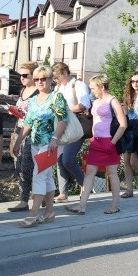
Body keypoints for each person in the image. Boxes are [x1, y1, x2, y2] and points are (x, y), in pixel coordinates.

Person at [11, 65, 67, 228]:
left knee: (38, 176)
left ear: (51, 80)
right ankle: (49, 212)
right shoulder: (34, 100)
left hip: (49, 144)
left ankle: (33, 214)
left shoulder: (57, 97)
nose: (40, 82)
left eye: (43, 78)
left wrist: (55, 139)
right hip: (35, 143)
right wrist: (18, 142)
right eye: (36, 79)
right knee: (47, 178)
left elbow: (63, 120)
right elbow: (28, 122)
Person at [66, 74, 126, 215]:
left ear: (102, 87)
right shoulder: (96, 101)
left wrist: (113, 142)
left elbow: (123, 124)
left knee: (111, 173)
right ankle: (82, 205)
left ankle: (114, 204)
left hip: (109, 141)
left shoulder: (113, 101)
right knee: (89, 172)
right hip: (96, 141)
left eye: (93, 88)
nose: (92, 91)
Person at [52, 62, 89, 202]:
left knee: (67, 160)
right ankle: (63, 192)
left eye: (58, 76)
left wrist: (64, 109)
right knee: (59, 160)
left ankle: (85, 185)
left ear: (65, 73)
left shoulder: (78, 85)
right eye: (55, 78)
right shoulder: (58, 88)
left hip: (75, 126)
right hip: (61, 126)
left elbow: (84, 104)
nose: (56, 80)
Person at [7, 61, 38, 212]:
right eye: (20, 75)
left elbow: (33, 117)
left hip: (32, 132)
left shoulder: (38, 92)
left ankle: (36, 197)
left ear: (34, 76)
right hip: (19, 129)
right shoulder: (22, 91)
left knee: (27, 167)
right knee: (18, 165)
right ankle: (24, 200)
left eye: (25, 75)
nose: (22, 78)